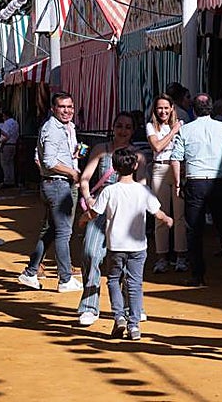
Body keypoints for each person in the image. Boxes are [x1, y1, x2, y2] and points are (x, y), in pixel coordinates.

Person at [87, 146, 172, 341]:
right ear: (135, 166)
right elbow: (157, 213)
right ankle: (134, 325)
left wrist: (83, 219)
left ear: (114, 167)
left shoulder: (109, 191)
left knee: (113, 280)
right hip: (137, 246)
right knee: (135, 284)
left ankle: (119, 317)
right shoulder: (143, 191)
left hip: (115, 246)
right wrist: (167, 219)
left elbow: (94, 213)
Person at [169, 93, 222, 287]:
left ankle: (198, 275)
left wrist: (178, 183)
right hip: (219, 182)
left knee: (194, 231)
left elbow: (175, 158)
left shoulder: (185, 130)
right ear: (212, 108)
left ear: (194, 110)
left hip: (195, 182)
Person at [76, 112, 140, 326]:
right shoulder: (100, 150)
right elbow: (85, 178)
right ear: (113, 127)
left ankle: (130, 308)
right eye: (119, 126)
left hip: (125, 213)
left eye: (128, 127)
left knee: (126, 261)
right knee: (90, 253)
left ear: (133, 130)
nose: (123, 130)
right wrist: (88, 198)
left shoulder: (138, 155)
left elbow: (143, 184)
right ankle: (89, 306)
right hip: (100, 210)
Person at [18, 92, 83, 293]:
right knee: (63, 232)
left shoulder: (65, 127)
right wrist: (72, 172)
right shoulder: (53, 129)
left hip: (55, 184)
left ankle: (30, 272)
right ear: (53, 109)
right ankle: (65, 278)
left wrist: (73, 157)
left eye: (70, 107)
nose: (67, 110)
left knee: (52, 230)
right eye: (62, 107)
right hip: (58, 185)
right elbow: (48, 161)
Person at [145, 95, 186, 275]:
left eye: (166, 108)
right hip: (160, 168)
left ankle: (180, 256)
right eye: (159, 108)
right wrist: (173, 131)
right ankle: (162, 257)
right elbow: (157, 146)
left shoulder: (181, 125)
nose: (163, 111)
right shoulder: (151, 126)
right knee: (160, 214)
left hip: (178, 170)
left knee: (180, 215)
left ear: (172, 108)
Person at [0, 109, 19, 188]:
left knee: (5, 164)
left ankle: (7, 180)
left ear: (5, 116)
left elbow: (5, 135)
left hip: (6, 144)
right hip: (13, 144)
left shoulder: (6, 123)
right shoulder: (16, 123)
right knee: (10, 163)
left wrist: (1, 143)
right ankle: (11, 180)